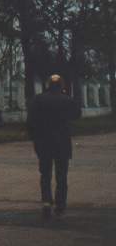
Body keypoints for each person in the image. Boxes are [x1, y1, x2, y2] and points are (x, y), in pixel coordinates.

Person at [27, 74, 81, 218]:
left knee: (45, 174)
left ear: (48, 85)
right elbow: (77, 114)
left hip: (44, 143)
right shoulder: (67, 100)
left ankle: (46, 202)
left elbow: (31, 121)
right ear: (61, 85)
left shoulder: (38, 99)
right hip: (62, 143)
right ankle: (60, 205)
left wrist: (35, 140)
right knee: (61, 175)